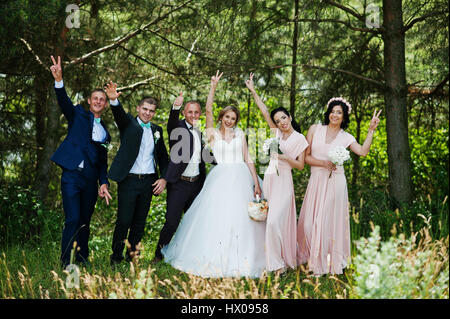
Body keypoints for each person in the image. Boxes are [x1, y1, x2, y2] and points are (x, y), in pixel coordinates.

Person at [161, 71, 266, 278]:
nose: (229, 120)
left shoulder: (241, 135)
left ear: (236, 121)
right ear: (221, 118)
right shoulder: (212, 134)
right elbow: (207, 109)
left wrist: (255, 182)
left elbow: (248, 159)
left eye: (233, 118)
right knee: (216, 217)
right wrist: (213, 86)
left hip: (241, 179)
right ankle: (212, 256)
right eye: (227, 116)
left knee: (242, 220)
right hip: (220, 179)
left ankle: (244, 257)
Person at [297, 97, 382, 276]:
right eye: (333, 111)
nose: (335, 115)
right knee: (308, 225)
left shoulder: (346, 137)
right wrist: (323, 163)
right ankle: (315, 258)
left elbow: (363, 152)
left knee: (326, 222)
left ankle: (323, 265)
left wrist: (370, 130)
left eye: (339, 112)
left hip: (335, 182)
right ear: (328, 112)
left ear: (344, 117)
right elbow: (306, 158)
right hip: (317, 181)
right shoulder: (315, 129)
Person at [49, 55, 112, 268]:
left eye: (102, 100)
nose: (98, 101)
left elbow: (102, 163)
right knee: (73, 219)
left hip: (90, 181)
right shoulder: (77, 115)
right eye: (95, 98)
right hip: (72, 177)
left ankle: (83, 260)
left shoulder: (105, 133)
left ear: (105, 105)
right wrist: (59, 80)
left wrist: (103, 182)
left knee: (85, 222)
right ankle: (66, 262)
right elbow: (64, 102)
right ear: (89, 101)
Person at [245, 72, 309, 274]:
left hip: (284, 182)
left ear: (289, 117)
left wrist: (284, 157)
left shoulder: (301, 139)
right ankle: (273, 261)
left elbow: (300, 165)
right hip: (270, 179)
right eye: (277, 120)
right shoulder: (277, 134)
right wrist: (253, 90)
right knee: (268, 221)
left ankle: (279, 264)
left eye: (283, 117)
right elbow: (264, 111)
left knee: (274, 222)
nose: (281, 122)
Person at [104, 82, 169, 265]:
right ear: (138, 108)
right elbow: (119, 115)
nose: (148, 113)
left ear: (154, 113)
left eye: (151, 111)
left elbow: (163, 157)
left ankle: (132, 258)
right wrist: (114, 100)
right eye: (145, 109)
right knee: (124, 221)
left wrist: (163, 178)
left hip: (148, 182)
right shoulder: (129, 125)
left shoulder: (157, 130)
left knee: (139, 223)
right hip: (129, 181)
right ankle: (116, 259)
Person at [153, 90, 215, 262]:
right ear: (184, 113)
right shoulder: (177, 128)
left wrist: (225, 163)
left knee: (193, 222)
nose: (193, 115)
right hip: (179, 184)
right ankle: (159, 254)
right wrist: (176, 105)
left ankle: (187, 255)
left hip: (196, 185)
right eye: (190, 112)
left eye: (196, 112)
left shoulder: (199, 132)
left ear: (200, 114)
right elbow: (171, 121)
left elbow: (206, 156)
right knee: (172, 222)